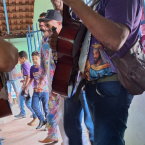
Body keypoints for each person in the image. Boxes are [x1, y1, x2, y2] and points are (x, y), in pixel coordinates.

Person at [50, 0, 142, 144]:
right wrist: (63, 40)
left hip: (112, 83)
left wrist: (77, 4)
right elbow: (87, 39)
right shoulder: (95, 2)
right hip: (96, 84)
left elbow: (115, 39)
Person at [42, 9, 93, 145]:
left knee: (91, 126)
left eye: (49, 25)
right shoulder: (51, 42)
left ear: (59, 23)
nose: (47, 29)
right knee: (70, 126)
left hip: (84, 86)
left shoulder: (76, 32)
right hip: (69, 88)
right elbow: (53, 66)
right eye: (46, 26)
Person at [37, 12, 61, 144]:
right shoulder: (44, 42)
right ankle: (52, 135)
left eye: (46, 24)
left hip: (65, 81)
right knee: (51, 109)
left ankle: (67, 138)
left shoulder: (62, 38)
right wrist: (40, 80)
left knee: (66, 113)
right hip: (52, 83)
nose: (44, 26)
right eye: (43, 24)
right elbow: (42, 63)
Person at [25, 51, 49, 129]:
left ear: (40, 59)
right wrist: (27, 87)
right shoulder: (32, 68)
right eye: (33, 59)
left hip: (44, 91)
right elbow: (32, 79)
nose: (34, 60)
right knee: (34, 105)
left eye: (36, 58)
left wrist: (41, 85)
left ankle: (48, 124)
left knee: (46, 108)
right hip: (36, 91)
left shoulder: (43, 67)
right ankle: (42, 120)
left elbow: (46, 78)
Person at [14, 51, 37, 123]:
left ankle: (27, 113)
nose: (18, 61)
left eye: (19, 59)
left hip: (29, 86)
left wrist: (25, 86)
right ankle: (34, 113)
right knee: (27, 102)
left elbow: (28, 76)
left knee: (25, 101)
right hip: (29, 85)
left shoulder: (24, 64)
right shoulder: (26, 64)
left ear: (23, 58)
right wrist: (24, 82)